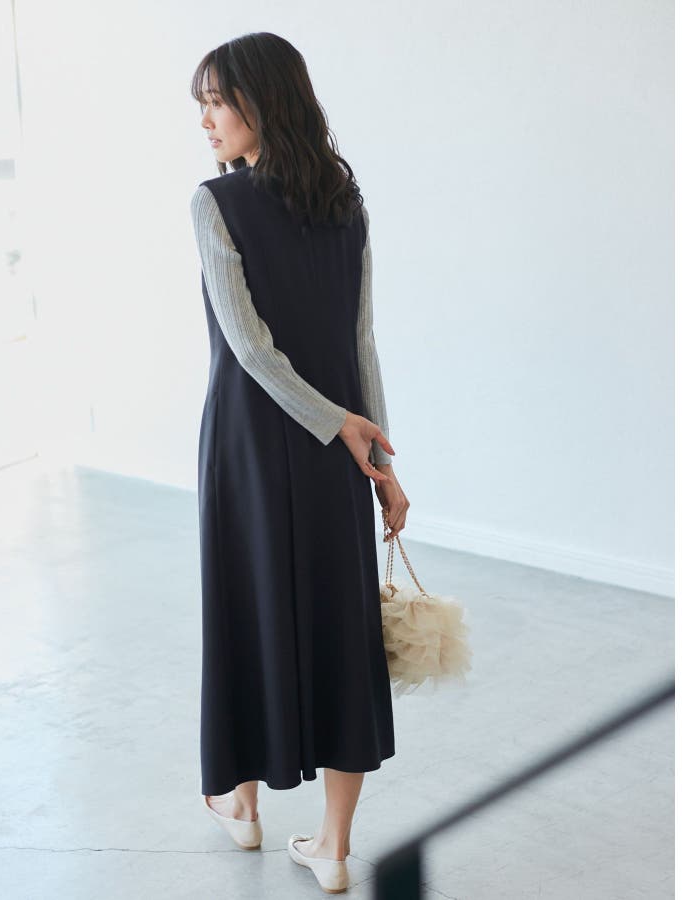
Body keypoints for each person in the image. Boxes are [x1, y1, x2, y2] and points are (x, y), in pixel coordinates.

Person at [190, 32, 410, 893]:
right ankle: (334, 848)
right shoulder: (346, 203)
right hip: (339, 446)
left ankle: (241, 804)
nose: (206, 120)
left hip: (251, 443)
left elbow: (249, 348)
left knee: (244, 611)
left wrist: (351, 436)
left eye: (217, 101)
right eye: (203, 104)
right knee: (342, 632)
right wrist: (374, 452)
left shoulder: (215, 202)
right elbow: (362, 343)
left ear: (262, 100)